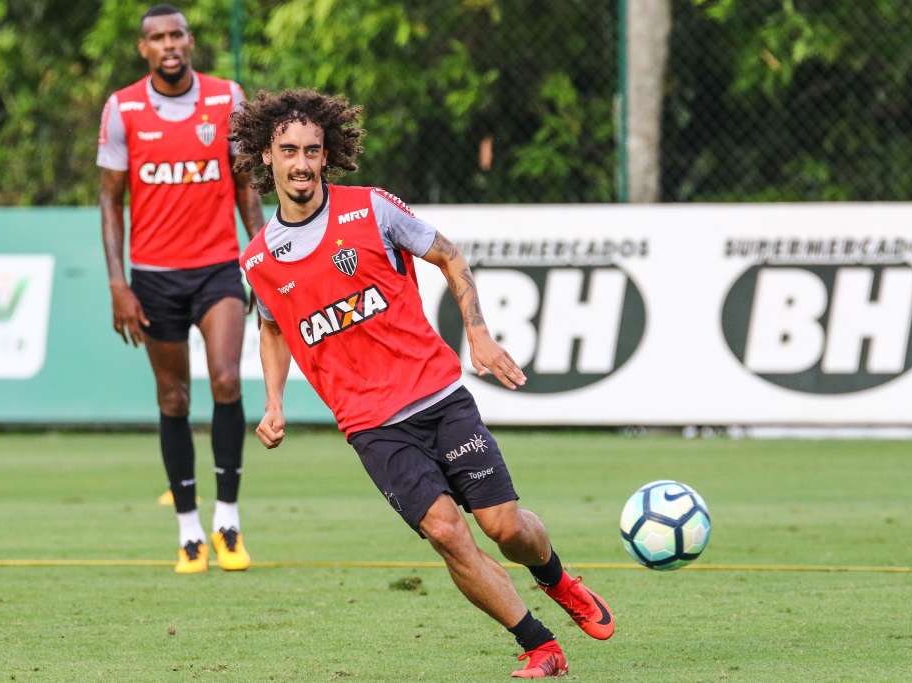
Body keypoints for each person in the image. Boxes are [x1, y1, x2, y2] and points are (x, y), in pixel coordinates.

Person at [231, 89, 615, 678]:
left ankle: (557, 579)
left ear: (326, 154)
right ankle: (540, 645)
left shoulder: (372, 208)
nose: (301, 163)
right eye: (289, 151)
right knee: (446, 532)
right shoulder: (259, 260)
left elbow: (450, 256)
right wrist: (274, 402)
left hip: (438, 397)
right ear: (267, 155)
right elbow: (273, 326)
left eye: (311, 150)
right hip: (372, 426)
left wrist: (477, 332)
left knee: (505, 527)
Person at [97, 4, 265, 574]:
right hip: (154, 276)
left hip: (217, 268)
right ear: (143, 49)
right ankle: (189, 530)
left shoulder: (227, 98)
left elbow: (246, 187)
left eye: (177, 35)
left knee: (226, 381)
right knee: (173, 399)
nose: (168, 44)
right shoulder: (123, 108)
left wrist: (261, 261)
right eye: (157, 37)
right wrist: (118, 283)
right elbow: (110, 202)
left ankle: (228, 521)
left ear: (190, 41)